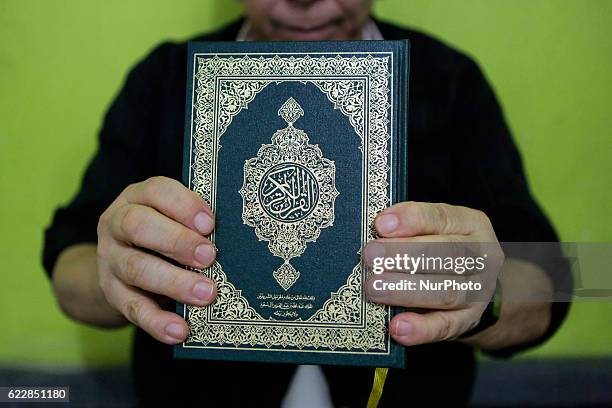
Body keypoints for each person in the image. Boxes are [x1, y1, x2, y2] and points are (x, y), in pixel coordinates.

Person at [43, 0, 571, 406]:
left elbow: (561, 278)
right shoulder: (165, 79)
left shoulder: (450, 80)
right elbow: (69, 262)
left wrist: (483, 293)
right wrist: (117, 270)